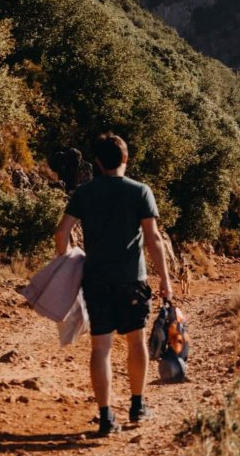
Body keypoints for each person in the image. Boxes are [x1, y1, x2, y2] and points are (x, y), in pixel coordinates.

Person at [52, 133, 174, 437]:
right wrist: (166, 281)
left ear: (97, 162)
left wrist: (66, 260)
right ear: (126, 158)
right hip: (132, 279)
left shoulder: (84, 193)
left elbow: (61, 233)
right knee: (136, 341)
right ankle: (137, 405)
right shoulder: (140, 191)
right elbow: (154, 239)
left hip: (96, 279)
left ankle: (106, 417)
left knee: (101, 347)